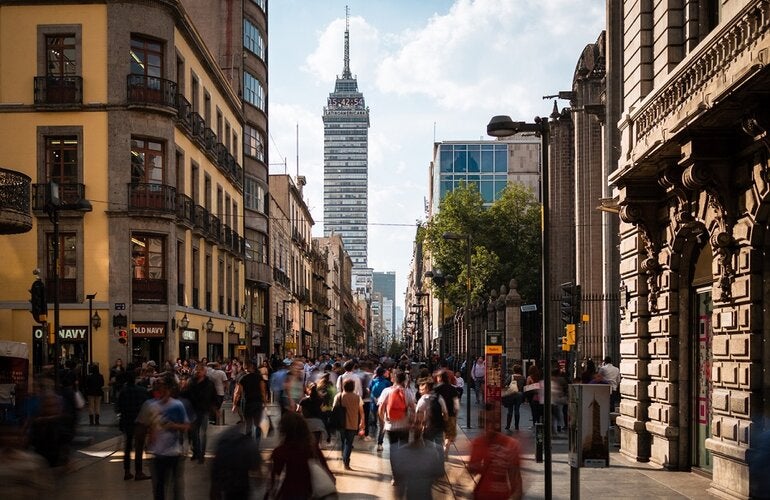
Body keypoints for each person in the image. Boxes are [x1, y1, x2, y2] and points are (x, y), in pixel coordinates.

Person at [138, 376, 190, 500]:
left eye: (164, 389)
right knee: (159, 486)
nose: (162, 392)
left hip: (174, 452)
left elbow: (186, 426)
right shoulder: (150, 405)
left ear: (169, 390)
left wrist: (174, 425)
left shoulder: (177, 405)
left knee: (175, 486)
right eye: (159, 389)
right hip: (157, 453)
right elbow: (143, 426)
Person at [268, 410, 334, 499]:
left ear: (283, 430)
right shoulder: (312, 449)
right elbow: (328, 474)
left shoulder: (280, 452)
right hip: (310, 494)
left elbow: (274, 481)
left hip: (289, 495)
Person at [469, 403, 523, 500]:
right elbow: (472, 469)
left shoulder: (510, 445)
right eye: (485, 422)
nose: (489, 427)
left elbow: (517, 485)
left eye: (492, 422)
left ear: (498, 421)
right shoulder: (478, 443)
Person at [390, 422, 445, 500]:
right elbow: (439, 473)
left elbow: (399, 487)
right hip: (427, 494)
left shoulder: (401, 452)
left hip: (410, 495)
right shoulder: (433, 451)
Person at [117, 366, 151, 481]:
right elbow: (147, 405)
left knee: (127, 447)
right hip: (139, 422)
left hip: (127, 421)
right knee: (139, 447)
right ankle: (139, 471)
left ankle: (127, 471)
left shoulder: (123, 391)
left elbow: (118, 408)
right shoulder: (141, 390)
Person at [209, 426, 262, 500]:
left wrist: (214, 486)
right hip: (241, 485)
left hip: (228, 485)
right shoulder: (248, 442)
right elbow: (255, 468)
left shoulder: (225, 438)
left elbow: (216, 465)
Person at [182, 362, 216, 463]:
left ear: (204, 372)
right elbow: (186, 394)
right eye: (197, 370)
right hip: (193, 410)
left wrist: (214, 408)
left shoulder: (209, 383)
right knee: (194, 433)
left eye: (200, 370)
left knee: (202, 433)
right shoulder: (191, 382)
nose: (198, 372)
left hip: (204, 410)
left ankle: (201, 454)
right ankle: (196, 451)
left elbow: (212, 396)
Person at [378, 370, 417, 450]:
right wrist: (412, 422)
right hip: (404, 425)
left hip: (390, 426)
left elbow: (381, 409)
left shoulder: (386, 391)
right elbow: (413, 409)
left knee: (393, 449)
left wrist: (384, 421)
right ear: (404, 380)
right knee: (403, 449)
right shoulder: (408, 392)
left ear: (393, 379)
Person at [333, 379, 365, 470]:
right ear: (353, 387)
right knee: (349, 443)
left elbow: (334, 409)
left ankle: (344, 459)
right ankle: (346, 462)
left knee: (343, 442)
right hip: (353, 423)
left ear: (344, 387)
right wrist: (362, 423)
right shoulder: (357, 397)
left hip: (341, 423)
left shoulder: (338, 396)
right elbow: (362, 412)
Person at [237, 360, 265, 443]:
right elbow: (263, 390)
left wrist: (236, 404)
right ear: (253, 367)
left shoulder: (243, 378)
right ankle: (257, 444)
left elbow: (239, 392)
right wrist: (265, 402)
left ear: (246, 368)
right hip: (258, 401)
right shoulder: (259, 377)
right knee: (257, 424)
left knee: (248, 424)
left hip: (247, 402)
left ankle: (248, 443)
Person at [415, 377, 447, 449]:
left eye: (421, 389)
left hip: (427, 427)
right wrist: (445, 423)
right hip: (439, 426)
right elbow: (445, 412)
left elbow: (417, 414)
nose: (420, 391)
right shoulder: (439, 397)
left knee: (427, 446)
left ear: (426, 388)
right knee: (439, 445)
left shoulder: (423, 399)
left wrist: (419, 426)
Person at [434, 370, 459, 456]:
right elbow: (456, 404)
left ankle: (440, 449)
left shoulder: (435, 389)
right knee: (449, 434)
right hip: (451, 414)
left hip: (438, 416)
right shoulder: (452, 389)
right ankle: (446, 450)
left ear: (439, 378)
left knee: (439, 434)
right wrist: (456, 413)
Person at [370, 366, 392, 452]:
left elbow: (370, 390)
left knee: (374, 423)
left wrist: (375, 399)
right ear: (383, 373)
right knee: (382, 425)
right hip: (384, 406)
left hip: (373, 404)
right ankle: (379, 443)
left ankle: (373, 438)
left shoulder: (373, 381)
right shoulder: (387, 383)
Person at [502, 365, 525, 431]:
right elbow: (524, 386)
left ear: (514, 370)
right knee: (517, 410)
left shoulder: (511, 376)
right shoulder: (523, 377)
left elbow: (505, 384)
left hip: (511, 394)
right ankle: (516, 426)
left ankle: (508, 425)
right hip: (519, 394)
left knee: (510, 410)